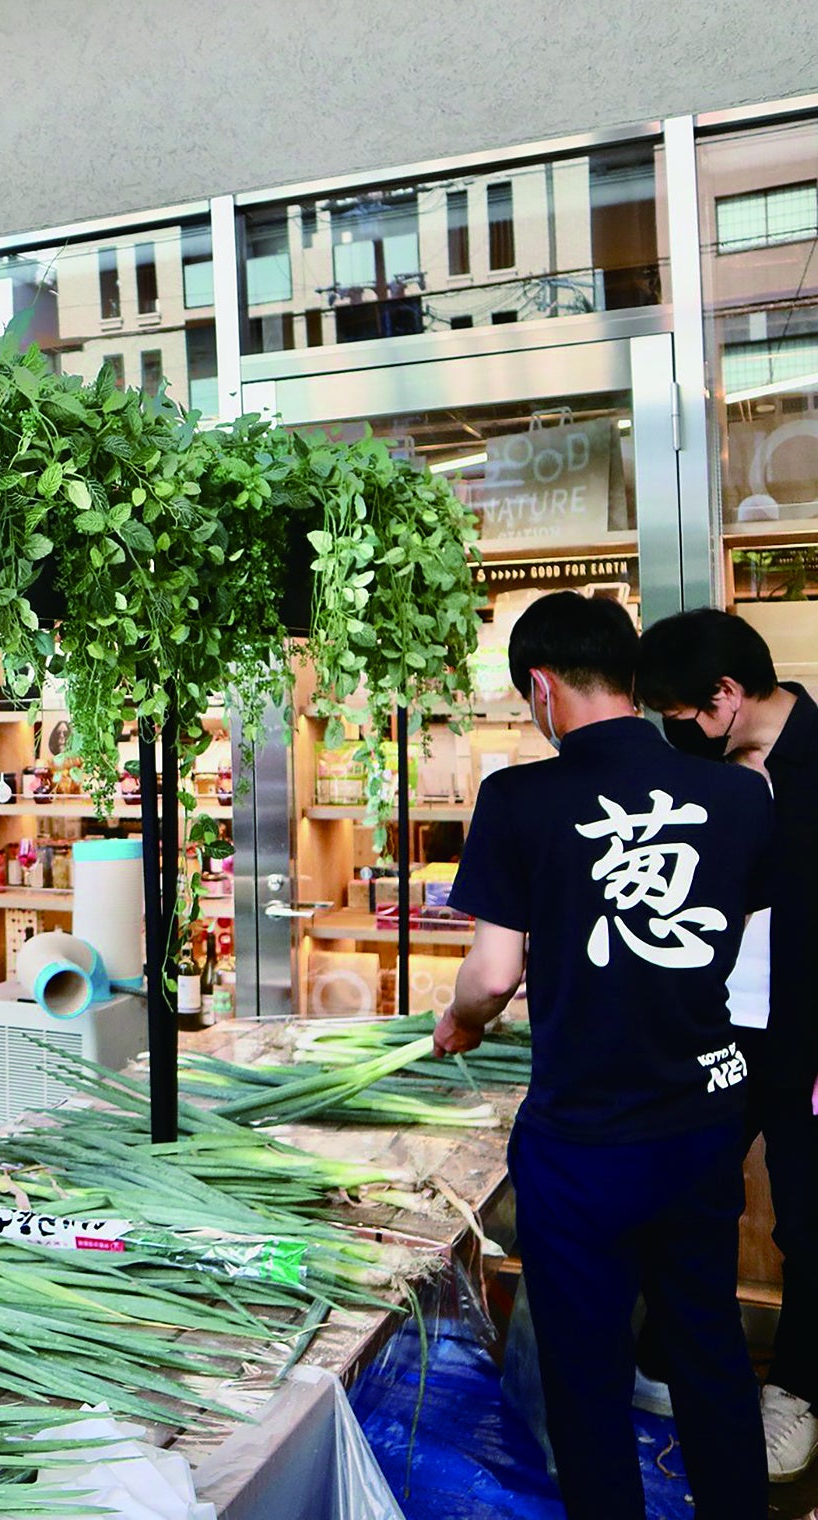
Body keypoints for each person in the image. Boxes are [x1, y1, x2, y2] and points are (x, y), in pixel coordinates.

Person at [434, 591, 771, 1517]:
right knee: (709, 1351)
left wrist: (460, 1021)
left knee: (587, 1381)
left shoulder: (518, 797)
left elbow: (493, 975)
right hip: (703, 1121)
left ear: (542, 687)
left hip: (585, 1139)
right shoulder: (740, 793)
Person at [638, 606, 818, 1482]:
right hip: (714, 1023)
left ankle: (796, 1393)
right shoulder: (698, 764)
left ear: (727, 693)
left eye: (682, 712)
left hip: (807, 1032)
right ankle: (673, 1361)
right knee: (684, 1188)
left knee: (808, 1217)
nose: (674, 728)